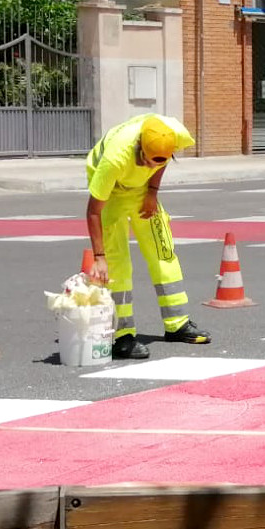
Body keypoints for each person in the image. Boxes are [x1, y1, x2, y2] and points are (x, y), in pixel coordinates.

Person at [82, 113, 209, 360]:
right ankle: (122, 336)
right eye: (147, 161)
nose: (152, 166)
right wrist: (99, 256)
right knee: (117, 264)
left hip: (142, 191)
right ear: (139, 148)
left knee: (164, 252)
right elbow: (93, 211)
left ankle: (177, 324)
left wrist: (152, 191)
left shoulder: (174, 135)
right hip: (113, 192)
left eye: (158, 162)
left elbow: (161, 162)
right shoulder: (115, 159)